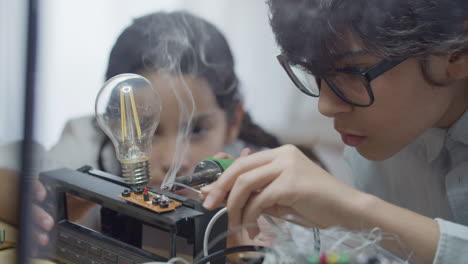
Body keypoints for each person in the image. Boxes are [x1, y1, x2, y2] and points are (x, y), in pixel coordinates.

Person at [29, 10, 322, 256]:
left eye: (196, 129)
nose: (173, 160)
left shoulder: (257, 176)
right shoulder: (88, 144)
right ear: (116, 121)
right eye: (151, 130)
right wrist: (36, 206)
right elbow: (14, 183)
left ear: (234, 121)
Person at [201, 1, 468, 263]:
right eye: (314, 73)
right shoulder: (376, 145)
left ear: (457, 50)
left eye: (354, 72)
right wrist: (287, 237)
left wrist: (354, 208)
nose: (325, 106)